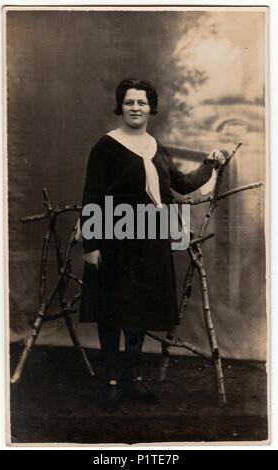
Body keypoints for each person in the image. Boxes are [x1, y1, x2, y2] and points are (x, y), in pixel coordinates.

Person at [79, 79, 225, 412]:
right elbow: (92, 196)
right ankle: (110, 383)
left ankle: (129, 382)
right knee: (112, 313)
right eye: (129, 102)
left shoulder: (156, 147)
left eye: (141, 103)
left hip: (151, 242)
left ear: (151, 108)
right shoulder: (106, 146)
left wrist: (209, 164)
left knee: (138, 314)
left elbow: (181, 184)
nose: (135, 108)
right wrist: (91, 244)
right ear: (121, 106)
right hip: (116, 240)